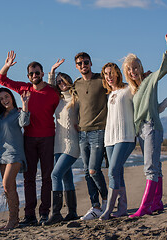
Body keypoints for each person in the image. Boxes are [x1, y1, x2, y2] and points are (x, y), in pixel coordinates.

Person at [0, 51, 60, 226]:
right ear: (28, 76)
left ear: (42, 73)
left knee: (47, 177)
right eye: (31, 73)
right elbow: (1, 80)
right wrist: (7, 66)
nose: (34, 75)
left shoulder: (52, 93)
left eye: (37, 72)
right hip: (29, 139)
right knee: (29, 178)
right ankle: (30, 215)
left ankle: (44, 213)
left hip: (48, 137)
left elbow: (64, 106)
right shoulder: (24, 88)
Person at [122, 34, 167, 218]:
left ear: (141, 68)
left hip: (152, 127)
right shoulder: (133, 90)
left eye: (136, 67)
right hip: (141, 132)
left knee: (150, 168)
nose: (133, 71)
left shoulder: (150, 80)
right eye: (130, 70)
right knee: (156, 167)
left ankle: (145, 207)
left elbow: (166, 67)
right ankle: (157, 203)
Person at [72, 52, 108, 220]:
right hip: (82, 133)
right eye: (79, 63)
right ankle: (95, 207)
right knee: (87, 172)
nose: (83, 65)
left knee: (94, 170)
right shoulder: (77, 84)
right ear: (76, 66)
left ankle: (107, 200)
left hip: (98, 130)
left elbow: (121, 86)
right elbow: (63, 93)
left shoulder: (102, 79)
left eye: (85, 62)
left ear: (91, 62)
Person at [98, 62, 136, 220]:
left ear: (118, 74)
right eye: (106, 74)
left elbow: (144, 101)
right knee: (118, 172)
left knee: (113, 171)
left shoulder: (128, 89)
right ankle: (122, 208)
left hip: (126, 137)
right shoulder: (109, 94)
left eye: (111, 73)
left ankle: (108, 209)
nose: (109, 77)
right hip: (110, 138)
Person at [43, 59, 80, 225]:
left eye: (63, 81)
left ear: (69, 82)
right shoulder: (57, 100)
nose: (60, 84)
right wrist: (52, 71)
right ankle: (72, 212)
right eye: (58, 82)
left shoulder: (76, 100)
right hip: (58, 145)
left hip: (71, 144)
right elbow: (50, 88)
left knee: (55, 174)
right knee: (67, 178)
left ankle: (56, 213)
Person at [0, 88, 31, 229]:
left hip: (15, 153)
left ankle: (13, 220)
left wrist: (25, 104)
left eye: (7, 97)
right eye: (1, 98)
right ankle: (14, 219)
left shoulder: (18, 112)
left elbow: (24, 123)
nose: (4, 100)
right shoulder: (0, 116)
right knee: (10, 188)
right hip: (2, 155)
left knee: (6, 184)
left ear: (11, 97)